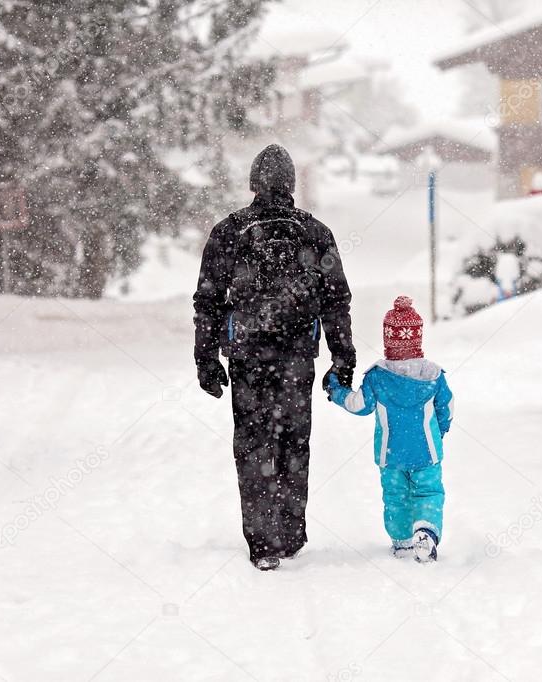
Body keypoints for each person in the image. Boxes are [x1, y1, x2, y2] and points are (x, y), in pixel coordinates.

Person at [193, 144, 356, 571]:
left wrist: (206, 358)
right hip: (297, 355)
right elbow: (337, 302)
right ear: (291, 186)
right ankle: (289, 533)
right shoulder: (315, 232)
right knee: (292, 442)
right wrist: (343, 358)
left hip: (247, 356)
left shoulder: (229, 231)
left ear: (253, 184)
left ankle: (261, 542)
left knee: (252, 443)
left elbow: (208, 300)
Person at [325, 296, 453, 562]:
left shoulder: (378, 377)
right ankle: (425, 532)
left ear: (388, 341)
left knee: (395, 497)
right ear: (418, 339)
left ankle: (402, 541)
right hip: (427, 453)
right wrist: (439, 432)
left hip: (390, 454)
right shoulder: (433, 376)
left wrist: (337, 390)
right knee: (428, 491)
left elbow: (359, 404)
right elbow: (447, 408)